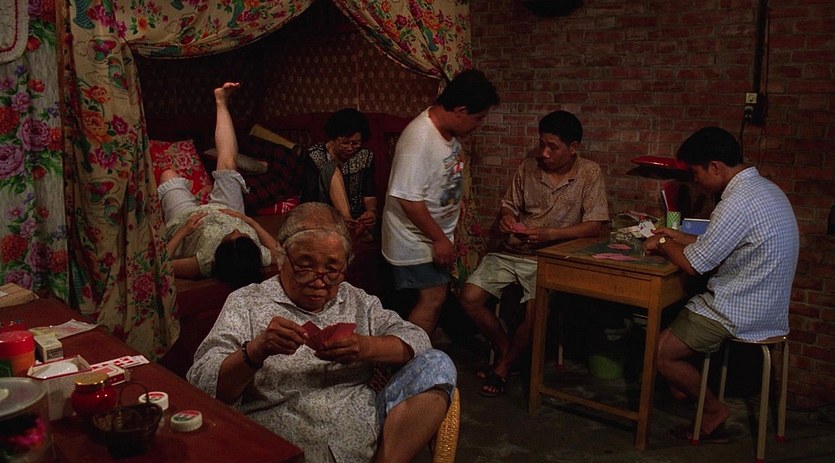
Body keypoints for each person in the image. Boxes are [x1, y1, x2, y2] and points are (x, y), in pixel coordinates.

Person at [187, 202, 457, 463]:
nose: (319, 281)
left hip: (358, 435)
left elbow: (417, 339)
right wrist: (255, 351)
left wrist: (365, 347)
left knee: (437, 364)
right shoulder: (247, 302)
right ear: (282, 258)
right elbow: (202, 381)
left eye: (332, 269)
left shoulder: (357, 301)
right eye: (305, 266)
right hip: (281, 443)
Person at [642, 127, 799, 442]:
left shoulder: (736, 202)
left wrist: (662, 242)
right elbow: (719, 244)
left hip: (739, 307)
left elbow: (694, 264)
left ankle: (712, 410)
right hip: (767, 305)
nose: (696, 181)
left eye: (696, 172)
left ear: (715, 166)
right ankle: (685, 388)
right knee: (665, 338)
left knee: (659, 354)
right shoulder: (764, 189)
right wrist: (678, 236)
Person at [458, 110, 609, 397]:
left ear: (573, 147)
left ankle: (504, 367)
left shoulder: (589, 173)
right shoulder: (529, 167)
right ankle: (507, 352)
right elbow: (509, 204)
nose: (544, 153)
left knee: (535, 310)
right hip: (514, 251)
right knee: (469, 297)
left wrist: (551, 234)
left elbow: (594, 226)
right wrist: (507, 217)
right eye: (542, 144)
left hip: (550, 259)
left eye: (553, 147)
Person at [381, 69, 499, 337]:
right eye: (478, 118)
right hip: (415, 239)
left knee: (434, 298)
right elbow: (408, 200)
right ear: (461, 110)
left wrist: (456, 204)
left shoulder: (448, 131)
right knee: (432, 299)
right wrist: (439, 239)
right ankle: (410, 357)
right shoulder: (419, 139)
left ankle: (414, 351)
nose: (479, 124)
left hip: (433, 235)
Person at [158, 82, 278, 288]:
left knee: (168, 175)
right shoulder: (256, 255)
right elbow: (279, 253)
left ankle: (190, 200)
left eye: (231, 236)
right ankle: (221, 100)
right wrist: (251, 222)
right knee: (229, 165)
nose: (234, 231)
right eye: (241, 234)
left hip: (187, 219)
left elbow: (161, 265)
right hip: (228, 209)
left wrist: (184, 231)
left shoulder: (204, 263)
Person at [300, 108, 377, 238]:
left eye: (355, 143)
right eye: (344, 142)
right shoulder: (315, 155)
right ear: (334, 138)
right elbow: (310, 198)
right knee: (330, 168)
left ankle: (352, 228)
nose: (350, 148)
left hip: (357, 217)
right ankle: (347, 225)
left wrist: (371, 211)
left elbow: (369, 191)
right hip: (324, 215)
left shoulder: (365, 156)